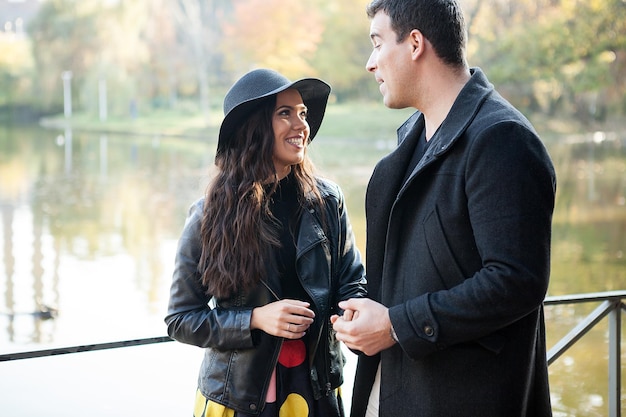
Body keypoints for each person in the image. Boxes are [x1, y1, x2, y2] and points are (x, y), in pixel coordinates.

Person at [331, 1, 556, 416]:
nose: (370, 63)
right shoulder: (411, 143)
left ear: (415, 43)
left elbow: (516, 279)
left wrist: (397, 325)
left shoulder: (501, 138)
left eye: (378, 44)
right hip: (392, 391)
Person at [165, 68, 367, 417]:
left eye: (303, 113)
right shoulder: (208, 216)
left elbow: (353, 285)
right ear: (254, 128)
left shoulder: (328, 202)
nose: (301, 124)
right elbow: (181, 319)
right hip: (239, 399)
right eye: (285, 113)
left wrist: (352, 315)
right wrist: (255, 319)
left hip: (314, 390)